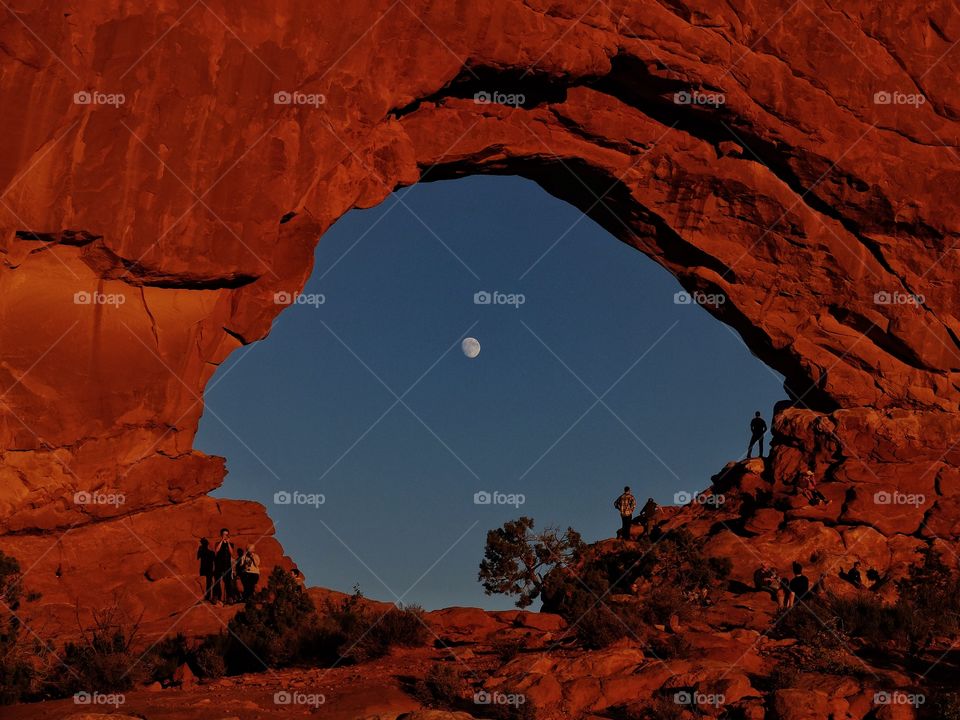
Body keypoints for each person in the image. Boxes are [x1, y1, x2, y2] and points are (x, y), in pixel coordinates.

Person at [213, 528, 236, 606]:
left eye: (227, 534)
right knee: (217, 581)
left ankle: (230, 598)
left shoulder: (231, 544)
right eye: (224, 534)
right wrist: (222, 541)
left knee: (228, 582)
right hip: (219, 565)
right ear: (221, 535)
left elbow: (232, 553)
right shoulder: (218, 543)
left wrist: (228, 543)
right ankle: (216, 597)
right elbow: (216, 550)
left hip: (227, 566)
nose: (225, 536)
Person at [196, 538, 215, 603]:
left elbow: (197, 557)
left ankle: (207, 596)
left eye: (202, 543)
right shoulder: (211, 553)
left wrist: (199, 550)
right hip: (208, 570)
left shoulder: (204, 552)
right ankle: (208, 596)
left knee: (206, 583)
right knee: (208, 583)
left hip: (204, 570)